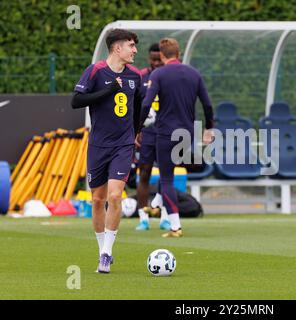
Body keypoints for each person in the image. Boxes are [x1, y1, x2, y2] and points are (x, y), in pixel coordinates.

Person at [71, 29, 142, 273]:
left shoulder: (135, 76)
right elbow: (76, 101)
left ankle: (107, 253)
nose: (135, 50)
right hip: (98, 145)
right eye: (131, 45)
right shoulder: (96, 71)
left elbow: (138, 107)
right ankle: (101, 248)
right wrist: (107, 91)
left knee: (115, 196)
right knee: (98, 199)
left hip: (123, 145)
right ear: (116, 48)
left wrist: (136, 133)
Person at [138, 38, 214, 237]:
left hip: (165, 132)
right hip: (187, 133)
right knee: (169, 171)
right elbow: (207, 104)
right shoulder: (194, 73)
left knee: (166, 178)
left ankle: (175, 226)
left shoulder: (159, 73)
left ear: (162, 55)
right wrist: (209, 128)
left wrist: (136, 128)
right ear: (178, 53)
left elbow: (146, 104)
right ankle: (155, 204)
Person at [135, 43, 171, 231]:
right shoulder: (141, 76)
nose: (156, 63)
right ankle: (143, 218)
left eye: (159, 59)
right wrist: (137, 129)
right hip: (147, 134)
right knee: (144, 174)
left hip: (166, 132)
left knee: (166, 175)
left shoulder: (169, 77)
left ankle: (165, 216)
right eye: (153, 59)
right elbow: (136, 104)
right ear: (149, 58)